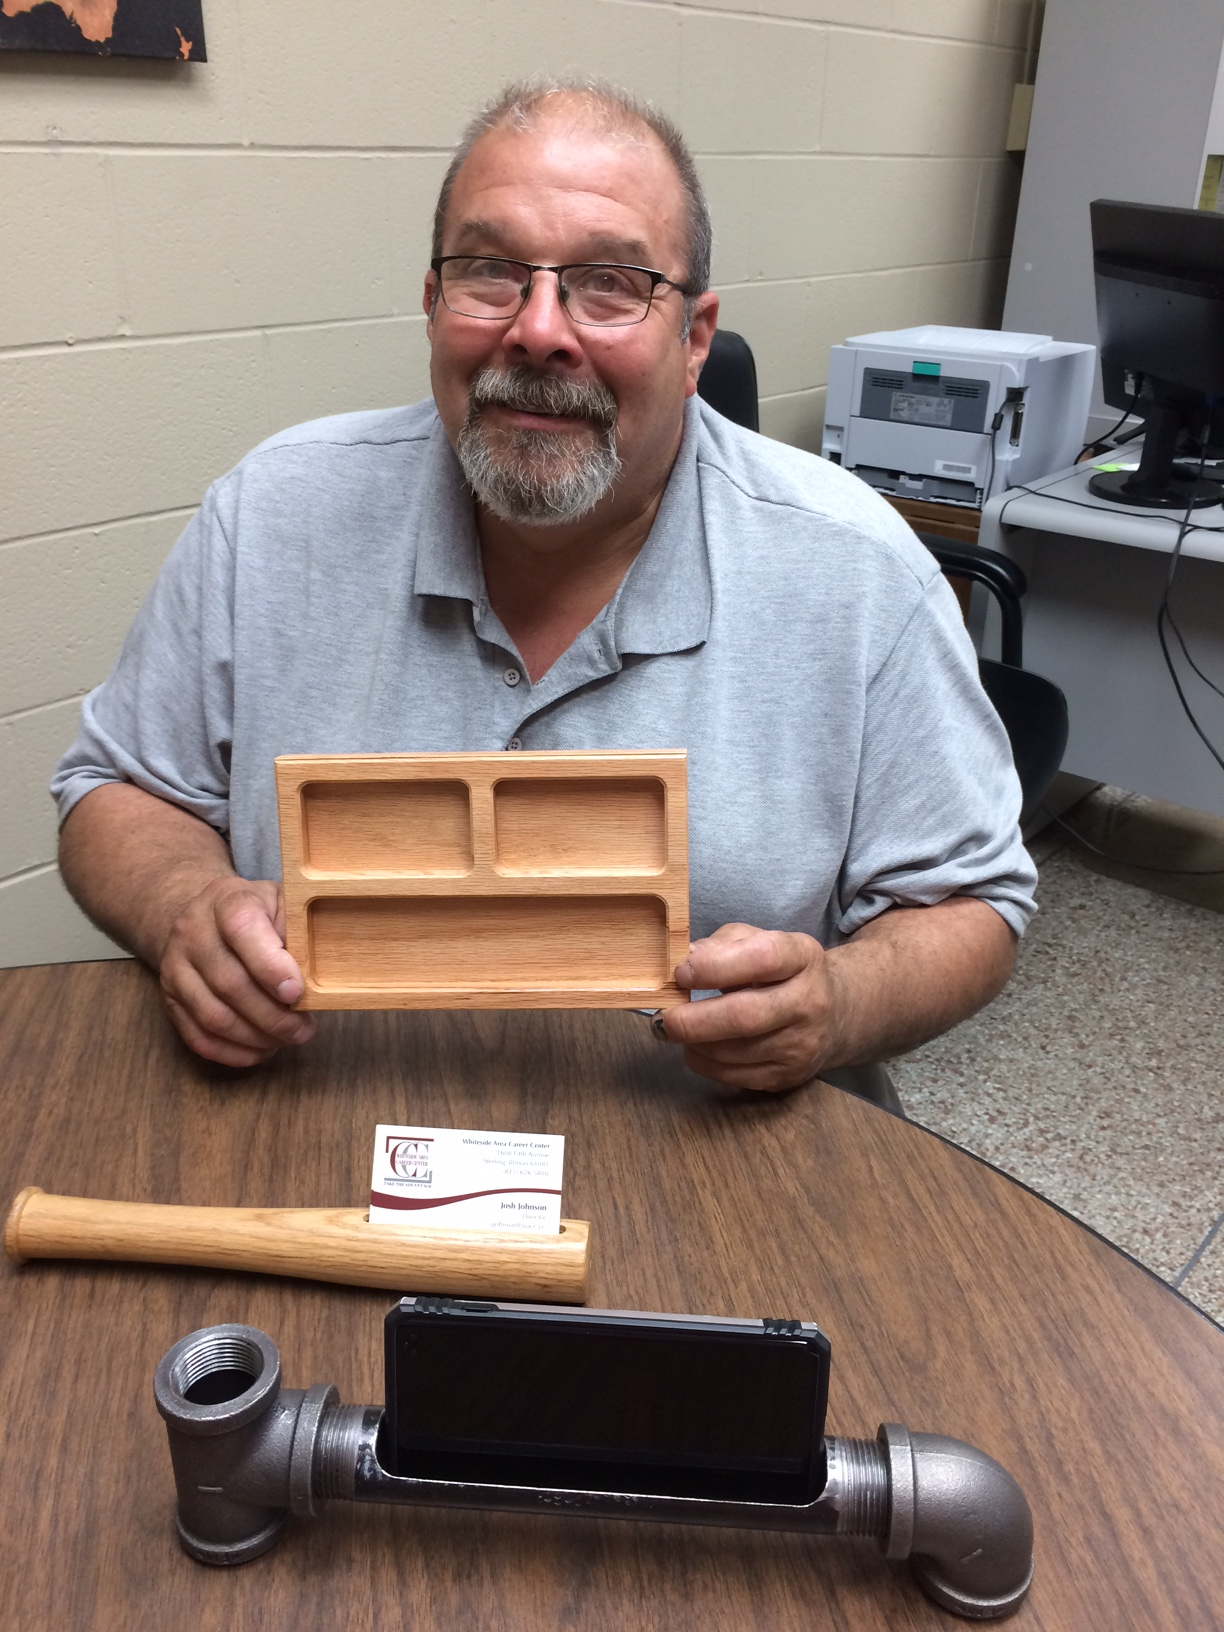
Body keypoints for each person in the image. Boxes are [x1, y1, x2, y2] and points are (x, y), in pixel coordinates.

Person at [53, 77, 1036, 1094]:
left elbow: (973, 902)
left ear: (695, 340)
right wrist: (185, 906)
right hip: (336, 1101)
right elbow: (116, 790)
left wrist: (840, 1001)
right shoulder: (270, 515)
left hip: (704, 1136)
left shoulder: (857, 569)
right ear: (432, 304)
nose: (538, 330)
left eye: (610, 283)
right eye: (490, 271)